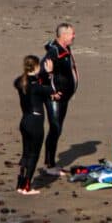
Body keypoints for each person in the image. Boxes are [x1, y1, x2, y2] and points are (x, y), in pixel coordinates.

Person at [39, 22, 79, 168]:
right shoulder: (54, 52)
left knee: (57, 128)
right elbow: (42, 72)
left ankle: (51, 163)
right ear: (63, 36)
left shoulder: (65, 48)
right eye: (72, 33)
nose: (74, 36)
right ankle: (49, 165)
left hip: (64, 98)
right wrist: (53, 92)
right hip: (55, 98)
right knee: (55, 128)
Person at [13, 54, 54, 194]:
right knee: (34, 155)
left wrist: (38, 75)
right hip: (35, 122)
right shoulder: (36, 86)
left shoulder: (20, 82)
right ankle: (27, 186)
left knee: (25, 153)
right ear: (36, 67)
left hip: (24, 121)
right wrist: (49, 73)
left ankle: (20, 183)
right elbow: (50, 90)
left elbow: (20, 80)